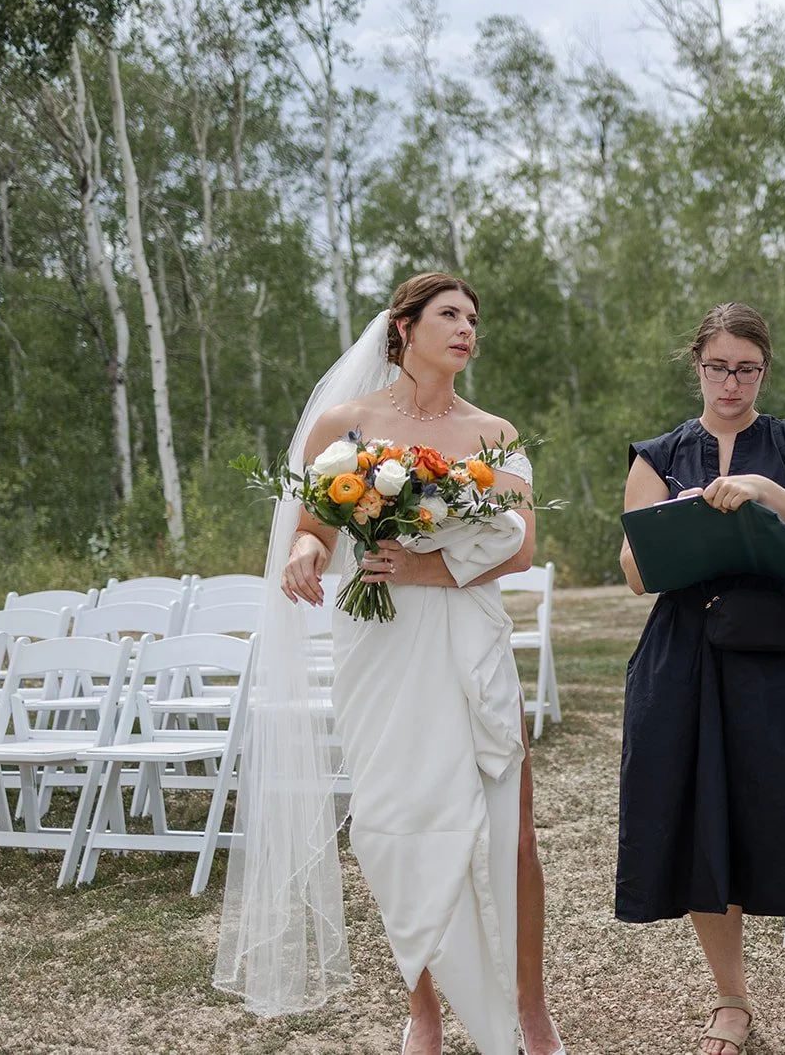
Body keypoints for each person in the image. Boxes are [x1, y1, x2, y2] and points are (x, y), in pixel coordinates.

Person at [214, 272, 564, 1055]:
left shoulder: (493, 432)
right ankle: (425, 1006)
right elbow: (315, 528)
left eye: (474, 317)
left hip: (467, 636)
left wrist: (426, 568)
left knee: (512, 837)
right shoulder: (346, 424)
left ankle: (530, 1006)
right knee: (394, 828)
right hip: (379, 642)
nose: (467, 328)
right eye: (450, 314)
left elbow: (521, 547)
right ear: (402, 328)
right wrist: (302, 557)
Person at [617, 303, 785, 1055]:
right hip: (683, 658)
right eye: (716, 366)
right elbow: (635, 572)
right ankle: (731, 1002)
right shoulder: (658, 452)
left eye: (746, 367)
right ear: (695, 364)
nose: (730, 382)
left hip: (777, 655)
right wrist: (676, 517)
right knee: (706, 827)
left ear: (765, 368)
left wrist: (764, 492)